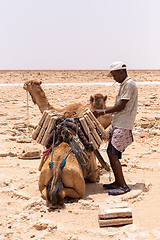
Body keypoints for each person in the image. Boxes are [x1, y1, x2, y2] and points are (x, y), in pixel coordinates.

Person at [93, 61, 138, 195]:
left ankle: (123, 185)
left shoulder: (129, 84)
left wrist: (103, 112)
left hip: (123, 124)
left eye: (114, 75)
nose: (114, 78)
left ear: (121, 72)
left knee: (113, 153)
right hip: (118, 123)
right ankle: (118, 182)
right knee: (111, 152)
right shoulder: (124, 84)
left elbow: (121, 106)